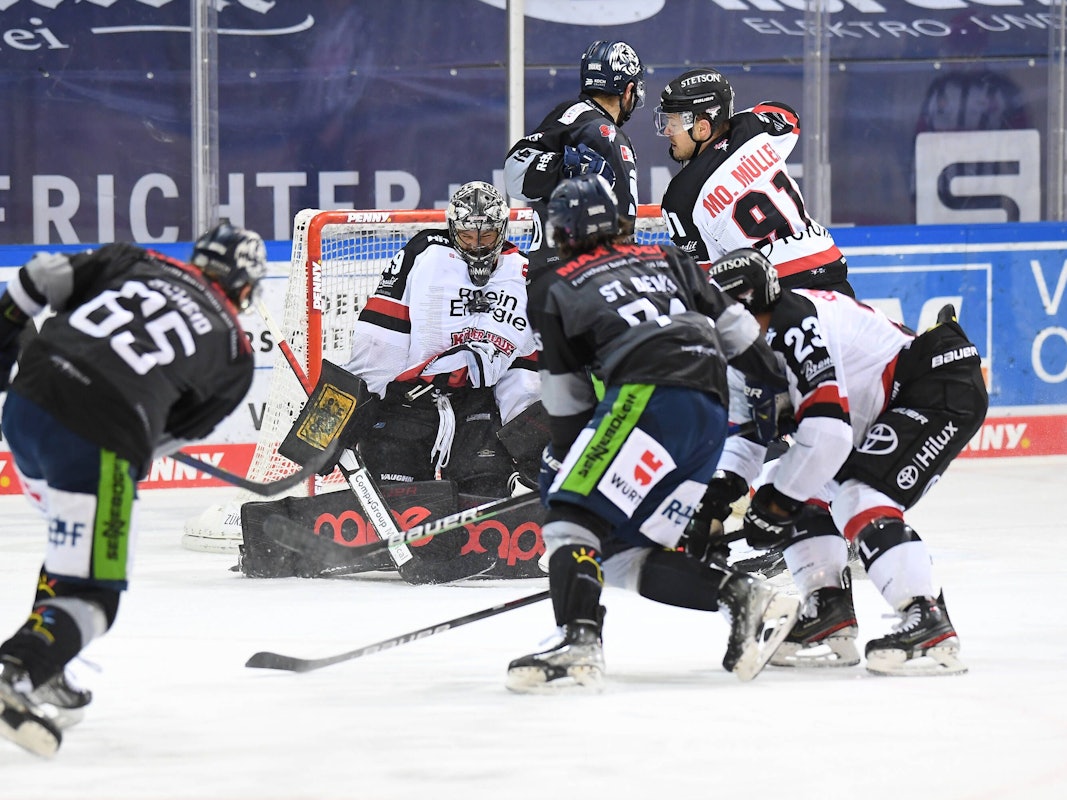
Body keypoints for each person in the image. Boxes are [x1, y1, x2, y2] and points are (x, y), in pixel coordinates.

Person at [505, 174, 800, 694]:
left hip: (648, 399)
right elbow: (742, 338)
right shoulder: (668, 258)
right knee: (621, 552)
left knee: (572, 518)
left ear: (560, 233)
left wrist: (561, 467)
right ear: (620, 221)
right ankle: (742, 595)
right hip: (709, 413)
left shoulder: (555, 287)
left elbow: (569, 403)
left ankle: (577, 641)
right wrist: (782, 391)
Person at [0, 222, 266, 757]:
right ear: (243, 287)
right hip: (96, 441)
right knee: (96, 592)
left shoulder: (137, 259)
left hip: (25, 408)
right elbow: (160, 440)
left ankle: (48, 657)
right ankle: (21, 667)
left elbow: (41, 274)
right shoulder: (236, 355)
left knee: (73, 542)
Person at [706, 248, 988, 676]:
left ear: (763, 305)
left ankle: (925, 617)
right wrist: (718, 495)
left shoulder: (794, 325)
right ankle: (827, 609)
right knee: (790, 478)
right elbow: (749, 433)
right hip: (888, 404)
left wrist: (777, 506)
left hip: (936, 386)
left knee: (858, 495)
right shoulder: (743, 346)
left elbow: (828, 436)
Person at [339, 180, 541, 498]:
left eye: (486, 235)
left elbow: (525, 367)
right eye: (467, 235)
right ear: (451, 228)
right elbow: (380, 333)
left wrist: (529, 440)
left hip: (476, 403)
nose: (477, 245)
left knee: (484, 492)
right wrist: (354, 403)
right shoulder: (424, 254)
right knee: (396, 496)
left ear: (501, 230)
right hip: (409, 401)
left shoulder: (524, 274)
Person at [655, 67, 851, 295]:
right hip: (827, 260)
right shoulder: (756, 128)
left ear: (702, 127)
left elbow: (706, 283)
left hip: (777, 289)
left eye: (674, 123)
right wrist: (733, 124)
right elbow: (789, 118)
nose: (667, 130)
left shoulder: (680, 198)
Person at [504, 39, 644, 268]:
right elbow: (515, 173)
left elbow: (515, 172)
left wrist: (565, 170)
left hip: (555, 273)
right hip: (590, 273)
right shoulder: (599, 129)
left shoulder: (574, 117)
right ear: (628, 90)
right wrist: (568, 168)